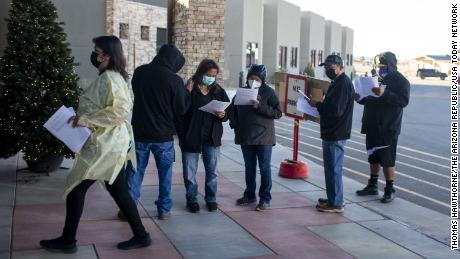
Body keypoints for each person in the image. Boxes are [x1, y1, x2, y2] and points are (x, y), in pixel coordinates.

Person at [40, 36, 151, 253]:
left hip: (106, 146)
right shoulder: (111, 77)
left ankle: (68, 240)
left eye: (98, 51)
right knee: (118, 190)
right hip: (107, 143)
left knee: (76, 187)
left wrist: (86, 120)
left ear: (108, 55)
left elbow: (120, 111)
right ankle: (141, 234)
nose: (95, 54)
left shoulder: (110, 78)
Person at [123, 44, 188, 220]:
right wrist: (185, 93)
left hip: (140, 133)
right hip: (164, 136)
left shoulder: (140, 72)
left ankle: (129, 208)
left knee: (134, 172)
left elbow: (136, 92)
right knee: (165, 174)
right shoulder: (175, 80)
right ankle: (164, 209)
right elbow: (181, 108)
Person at [355, 52, 410, 203]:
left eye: (383, 66)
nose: (380, 69)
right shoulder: (375, 79)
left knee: (387, 159)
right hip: (372, 124)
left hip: (388, 127)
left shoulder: (401, 81)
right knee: (373, 157)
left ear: (391, 65)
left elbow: (403, 101)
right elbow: (368, 99)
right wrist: (359, 98)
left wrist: (385, 93)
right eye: (379, 66)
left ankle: (389, 189)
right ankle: (372, 184)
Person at [178, 59, 230, 213]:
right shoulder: (190, 88)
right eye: (208, 74)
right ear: (200, 73)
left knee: (212, 171)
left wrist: (223, 115)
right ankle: (192, 199)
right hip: (191, 136)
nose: (211, 78)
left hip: (211, 137)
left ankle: (211, 198)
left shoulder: (218, 90)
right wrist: (186, 93)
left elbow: (228, 112)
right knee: (190, 172)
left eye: (214, 75)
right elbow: (180, 110)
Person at [229, 65, 282, 211]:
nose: (253, 81)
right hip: (246, 136)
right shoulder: (242, 91)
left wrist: (260, 106)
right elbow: (231, 110)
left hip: (264, 137)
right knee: (249, 167)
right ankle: (249, 194)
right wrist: (235, 124)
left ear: (262, 80)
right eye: (251, 78)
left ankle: (265, 198)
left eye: (257, 79)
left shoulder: (269, 92)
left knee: (264, 168)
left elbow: (278, 113)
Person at [308, 54, 354, 213]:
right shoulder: (337, 82)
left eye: (331, 67)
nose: (328, 70)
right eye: (326, 67)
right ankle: (334, 197)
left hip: (336, 132)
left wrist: (318, 104)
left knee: (334, 168)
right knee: (330, 168)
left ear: (341, 67)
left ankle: (336, 203)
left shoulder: (343, 84)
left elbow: (336, 110)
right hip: (331, 131)